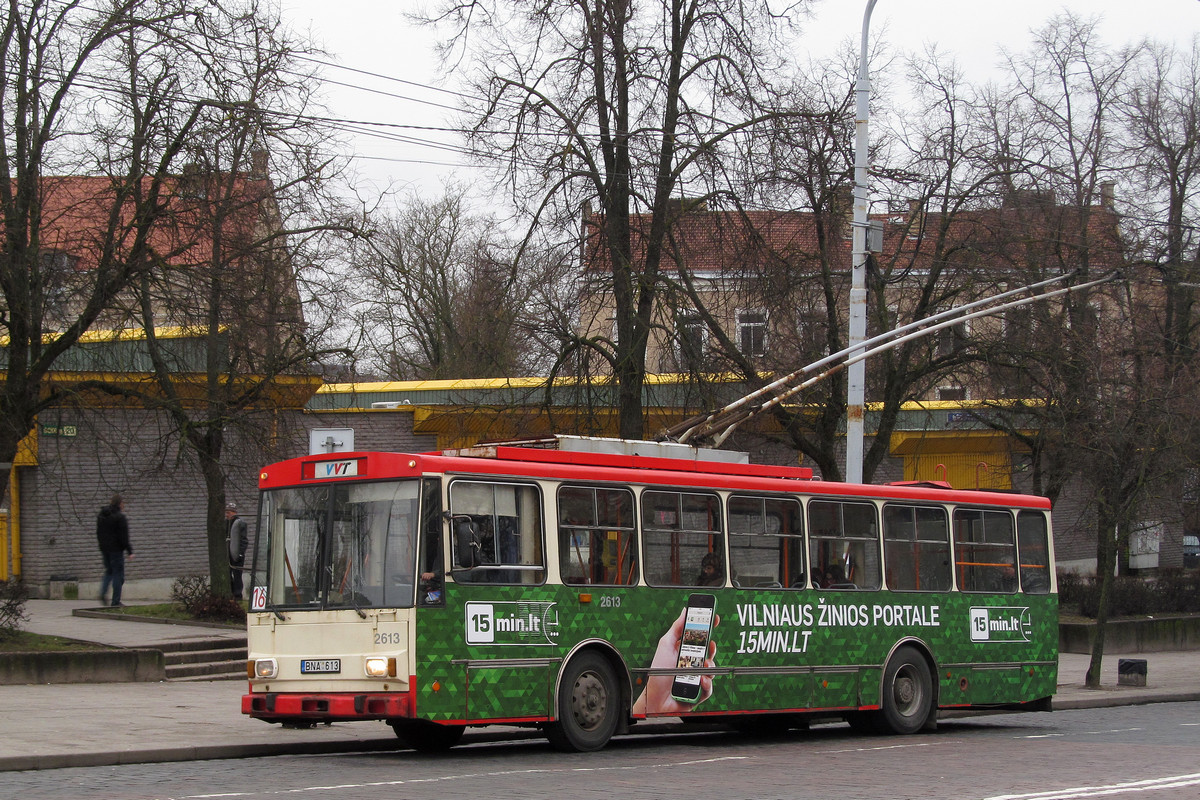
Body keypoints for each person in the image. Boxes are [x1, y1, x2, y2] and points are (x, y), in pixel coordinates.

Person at [96, 494, 133, 607]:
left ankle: (103, 592)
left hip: (104, 549)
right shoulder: (120, 517)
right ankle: (116, 601)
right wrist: (130, 551)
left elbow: (98, 533)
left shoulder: (102, 515)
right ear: (120, 504)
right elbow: (124, 537)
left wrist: (102, 546)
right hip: (116, 550)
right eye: (123, 503)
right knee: (118, 574)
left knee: (109, 571)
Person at [226, 502, 249, 600]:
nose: (227, 515)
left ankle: (238, 595)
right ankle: (230, 592)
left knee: (237, 575)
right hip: (227, 553)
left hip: (237, 554)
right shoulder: (226, 523)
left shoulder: (240, 523)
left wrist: (240, 553)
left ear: (233, 512)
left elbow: (243, 540)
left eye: (228, 512)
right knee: (228, 573)